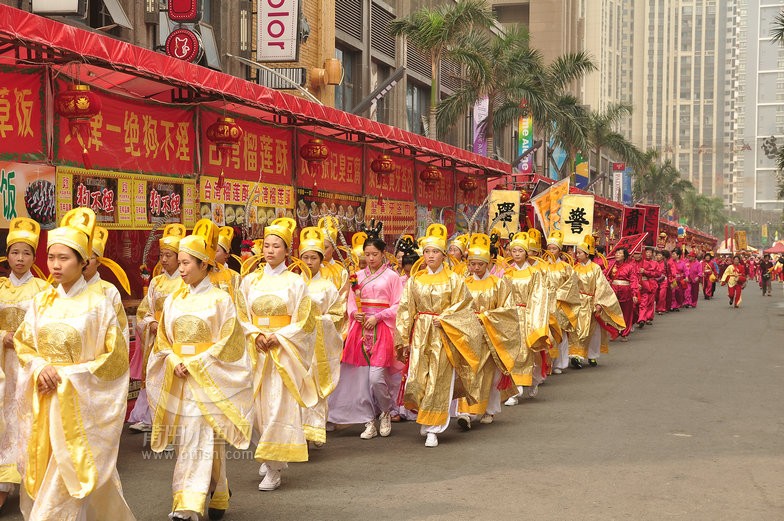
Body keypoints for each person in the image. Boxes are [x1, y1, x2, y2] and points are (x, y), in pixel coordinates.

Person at [14, 208, 135, 520]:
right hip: (44, 401)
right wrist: (40, 367)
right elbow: (25, 343)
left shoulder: (100, 303)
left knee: (66, 477)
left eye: (64, 258)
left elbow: (115, 360)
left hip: (80, 405)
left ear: (84, 262)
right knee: (50, 473)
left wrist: (69, 376)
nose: (55, 264)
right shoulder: (42, 301)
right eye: (51, 257)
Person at [146, 219, 253, 521]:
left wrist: (196, 363)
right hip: (179, 377)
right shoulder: (174, 300)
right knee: (193, 438)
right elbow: (164, 341)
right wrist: (171, 360)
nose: (181, 269)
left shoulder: (221, 300)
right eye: (178, 263)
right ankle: (219, 490)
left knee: (201, 435)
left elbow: (229, 343)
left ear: (204, 264)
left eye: (186, 263)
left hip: (208, 377)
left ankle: (188, 504)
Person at [237, 218, 317, 491]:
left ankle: (272, 467)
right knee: (257, 411)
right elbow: (240, 315)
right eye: (266, 245)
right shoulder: (249, 281)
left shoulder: (296, 283)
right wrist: (255, 334)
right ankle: (271, 452)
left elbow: (305, 320)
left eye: (276, 246)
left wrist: (279, 336)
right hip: (257, 351)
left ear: (287, 251)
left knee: (277, 407)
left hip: (283, 353)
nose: (270, 251)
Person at [395, 224, 483, 448]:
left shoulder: (454, 279)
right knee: (417, 378)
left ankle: (434, 428)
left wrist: (444, 318)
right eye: (427, 252)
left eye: (435, 252)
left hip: (444, 333)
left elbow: (464, 306)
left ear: (443, 255)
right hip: (421, 334)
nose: (430, 256)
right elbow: (406, 309)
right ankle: (424, 416)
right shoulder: (415, 280)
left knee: (438, 378)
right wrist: (403, 339)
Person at [328, 236, 403, 439]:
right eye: (367, 254)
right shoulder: (357, 276)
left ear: (383, 254)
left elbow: (398, 304)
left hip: (382, 328)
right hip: (360, 329)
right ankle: (368, 419)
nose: (370, 258)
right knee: (360, 380)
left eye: (375, 254)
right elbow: (351, 302)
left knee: (376, 377)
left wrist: (378, 316)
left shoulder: (392, 277)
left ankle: (386, 410)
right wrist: (354, 314)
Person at [0, 218, 50, 508]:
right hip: (3, 367)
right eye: (15, 252)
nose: (20, 258)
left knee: (28, 420)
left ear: (34, 256)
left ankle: (30, 481)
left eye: (27, 253)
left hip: (28, 366)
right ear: (8, 255)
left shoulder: (44, 290)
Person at [455, 234, 522, 429]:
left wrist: (485, 317)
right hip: (469, 336)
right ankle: (466, 412)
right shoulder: (463, 284)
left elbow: (507, 311)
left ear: (488, 264)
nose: (475, 268)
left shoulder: (498, 284)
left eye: (480, 265)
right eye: (472, 264)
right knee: (468, 373)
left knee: (490, 375)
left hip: (491, 335)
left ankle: (490, 409)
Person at [128, 223, 186, 433]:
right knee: (154, 378)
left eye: (169, 255)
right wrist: (151, 323)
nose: (164, 259)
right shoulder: (157, 282)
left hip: (175, 338)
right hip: (156, 339)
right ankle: (150, 417)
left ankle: (172, 424)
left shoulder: (186, 282)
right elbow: (145, 310)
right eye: (162, 254)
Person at [297, 227, 344, 446]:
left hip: (319, 343)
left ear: (321, 259)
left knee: (315, 386)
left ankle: (314, 430)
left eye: (313, 257)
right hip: (295, 343)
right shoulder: (293, 283)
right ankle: (297, 432)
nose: (308, 261)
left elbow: (337, 314)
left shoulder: (327, 286)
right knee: (297, 385)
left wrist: (319, 321)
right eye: (305, 257)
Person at [502, 231, 549, 405]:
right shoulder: (507, 274)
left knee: (529, 352)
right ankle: (516, 390)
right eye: (513, 251)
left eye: (520, 251)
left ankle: (533, 380)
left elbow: (539, 297)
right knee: (514, 352)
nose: (516, 254)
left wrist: (534, 319)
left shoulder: (534, 273)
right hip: (511, 316)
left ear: (526, 253)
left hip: (528, 315)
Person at [568, 235, 625, 366]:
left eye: (580, 253)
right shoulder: (575, 268)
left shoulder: (595, 268)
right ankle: (576, 355)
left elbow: (601, 286)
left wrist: (599, 302)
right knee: (577, 330)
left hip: (591, 302)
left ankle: (592, 355)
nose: (577, 255)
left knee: (593, 331)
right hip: (577, 303)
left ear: (587, 254)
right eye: (577, 253)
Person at [83, 225, 131, 345]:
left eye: (90, 258)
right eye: (82, 257)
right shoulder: (62, 288)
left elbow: (121, 329)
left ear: (99, 261)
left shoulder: (108, 290)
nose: (85, 262)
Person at [542, 230, 580, 371]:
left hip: (560, 304)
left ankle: (560, 363)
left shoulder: (566, 267)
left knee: (561, 334)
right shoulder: (541, 266)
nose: (551, 251)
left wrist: (558, 295)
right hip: (545, 304)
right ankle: (547, 364)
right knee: (547, 334)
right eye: (549, 248)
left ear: (560, 250)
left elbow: (572, 284)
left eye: (554, 248)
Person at [609, 247, 639, 341]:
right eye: (616, 253)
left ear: (624, 256)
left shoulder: (630, 267)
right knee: (613, 312)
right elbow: (605, 275)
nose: (617, 254)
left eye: (620, 253)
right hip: (613, 290)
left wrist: (634, 293)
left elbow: (634, 280)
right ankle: (614, 332)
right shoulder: (611, 265)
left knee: (626, 313)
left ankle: (624, 333)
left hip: (626, 292)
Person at [211, 225, 242, 304]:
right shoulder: (203, 275)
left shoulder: (234, 276)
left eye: (216, 251)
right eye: (210, 250)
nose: (211, 254)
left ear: (226, 254)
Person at [636, 246, 660, 327]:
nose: (648, 254)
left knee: (650, 302)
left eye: (650, 252)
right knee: (643, 302)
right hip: (641, 284)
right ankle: (642, 318)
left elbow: (658, 274)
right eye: (647, 252)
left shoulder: (655, 263)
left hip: (651, 284)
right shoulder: (640, 262)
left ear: (652, 254)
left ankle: (648, 317)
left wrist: (646, 272)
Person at [655, 250, 670, 315]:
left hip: (664, 281)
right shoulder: (654, 263)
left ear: (662, 257)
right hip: (656, 281)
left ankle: (660, 309)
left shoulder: (665, 263)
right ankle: (657, 307)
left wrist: (670, 280)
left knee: (662, 295)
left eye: (659, 255)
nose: (658, 257)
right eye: (657, 255)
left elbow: (669, 273)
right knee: (656, 296)